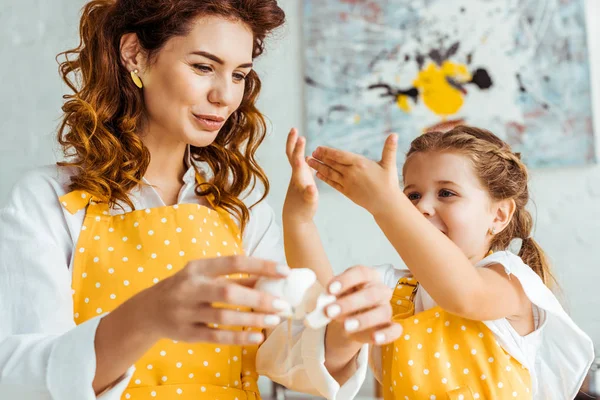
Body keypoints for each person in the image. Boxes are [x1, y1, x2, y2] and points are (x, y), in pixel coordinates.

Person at [0, 1, 397, 399]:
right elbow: (21, 378)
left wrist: (342, 336)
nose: (225, 96)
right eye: (203, 67)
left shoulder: (240, 210)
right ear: (134, 55)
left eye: (239, 75)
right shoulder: (50, 200)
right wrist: (146, 316)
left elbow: (284, 358)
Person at [305, 125, 594, 399]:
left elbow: (465, 296)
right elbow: (321, 304)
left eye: (446, 193)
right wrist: (299, 220)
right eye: (412, 195)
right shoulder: (397, 290)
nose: (421, 208)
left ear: (499, 216)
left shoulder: (510, 281)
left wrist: (385, 203)